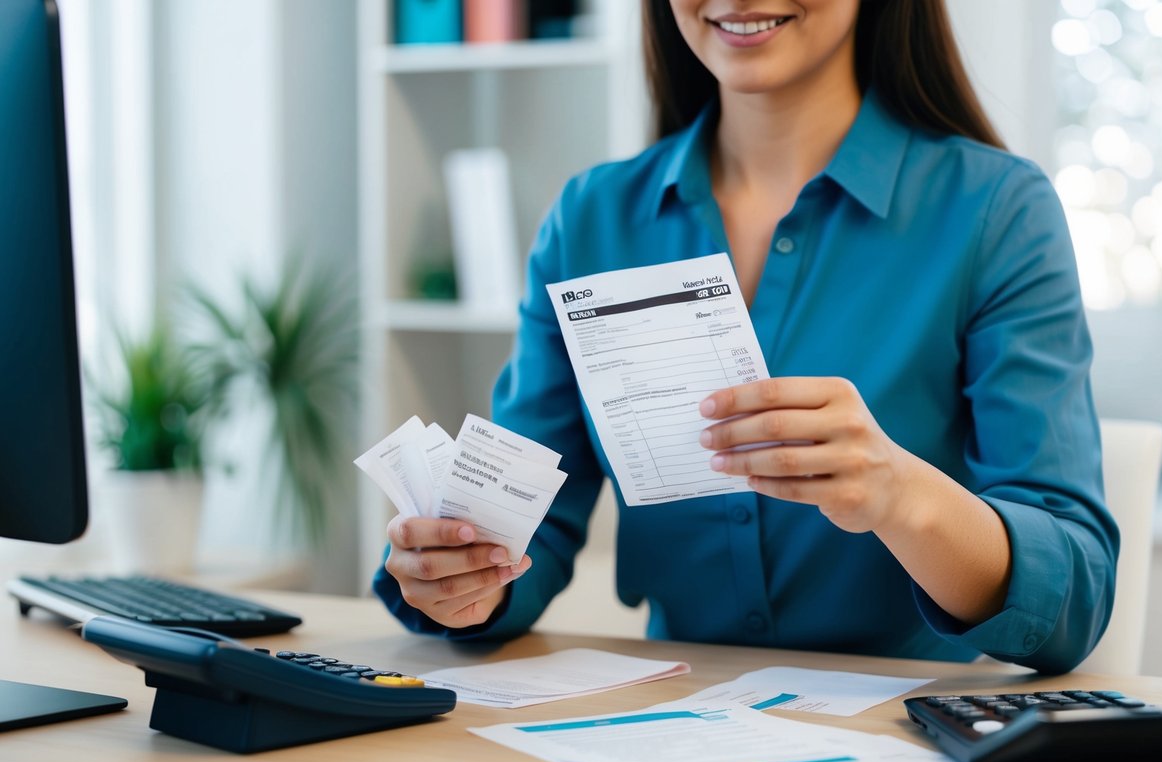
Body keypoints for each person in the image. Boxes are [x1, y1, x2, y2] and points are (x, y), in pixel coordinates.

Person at [373, 0, 1119, 674]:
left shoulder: (996, 212)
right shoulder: (590, 218)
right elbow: (528, 527)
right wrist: (459, 580)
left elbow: (1072, 596)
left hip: (910, 736)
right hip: (661, 732)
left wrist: (896, 492)